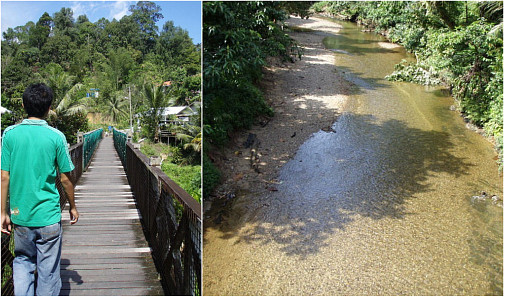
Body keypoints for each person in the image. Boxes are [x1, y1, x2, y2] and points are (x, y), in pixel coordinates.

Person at [1, 83, 79, 296]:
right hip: (48, 216)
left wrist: (3, 213)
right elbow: (65, 179)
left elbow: (3, 176)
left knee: (23, 261)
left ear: (24, 104)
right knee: (48, 270)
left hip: (20, 216)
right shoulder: (56, 137)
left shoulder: (9, 134)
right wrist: (73, 206)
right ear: (49, 107)